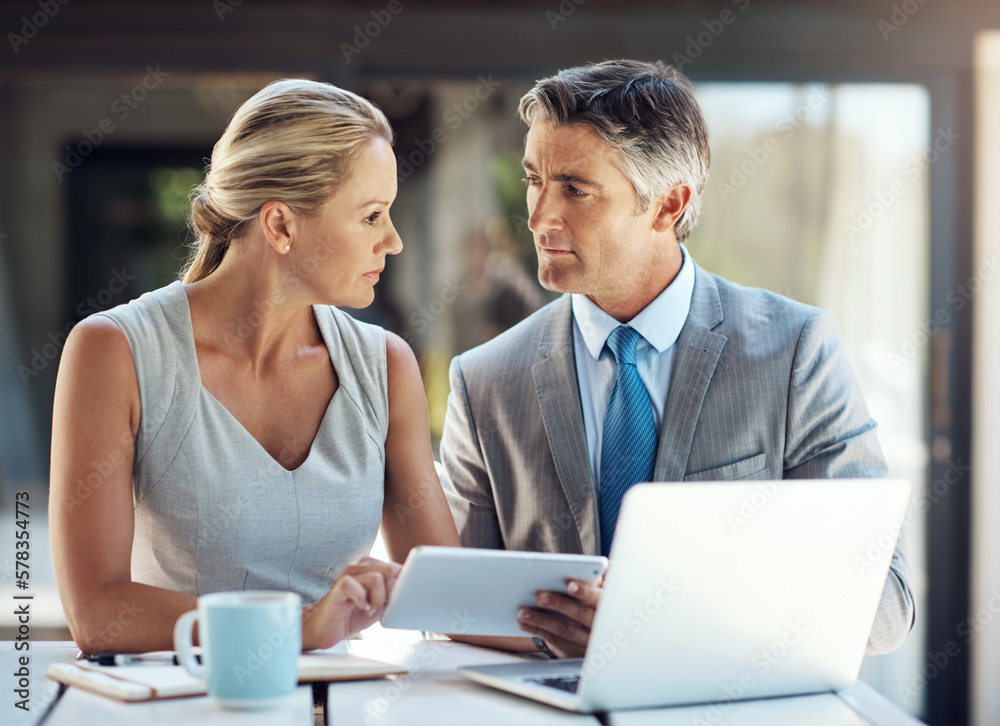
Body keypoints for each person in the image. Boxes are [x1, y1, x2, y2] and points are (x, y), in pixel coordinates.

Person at [439, 60, 915, 659]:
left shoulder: (796, 353)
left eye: (574, 188)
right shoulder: (484, 381)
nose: (537, 217)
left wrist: (660, 625)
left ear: (668, 205)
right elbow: (451, 610)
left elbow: (886, 603)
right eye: (535, 179)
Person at [49, 79, 460, 655]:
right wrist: (297, 628)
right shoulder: (113, 351)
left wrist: (580, 618)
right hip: (183, 705)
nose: (391, 242)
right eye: (371, 216)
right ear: (281, 226)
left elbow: (451, 598)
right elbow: (96, 612)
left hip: (338, 706)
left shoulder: (385, 365)